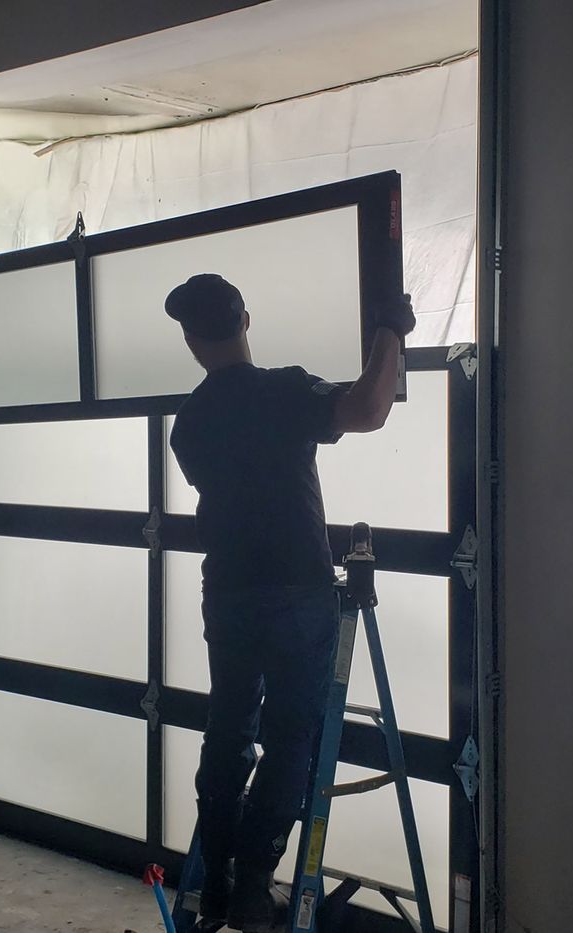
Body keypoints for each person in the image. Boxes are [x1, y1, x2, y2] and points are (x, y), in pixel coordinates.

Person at [166, 273, 412, 930]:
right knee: (291, 739)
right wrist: (391, 328)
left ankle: (215, 885)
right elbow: (369, 408)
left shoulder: (188, 425)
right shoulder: (282, 390)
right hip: (298, 593)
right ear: (246, 318)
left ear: (190, 340)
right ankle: (252, 886)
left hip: (228, 593)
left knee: (228, 732)